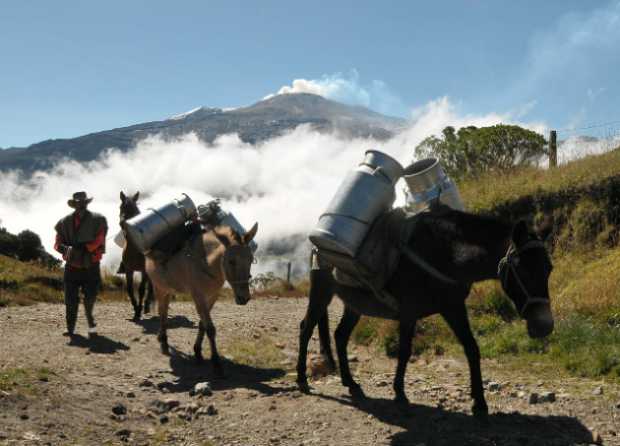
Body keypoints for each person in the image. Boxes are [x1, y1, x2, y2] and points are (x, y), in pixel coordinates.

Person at [54, 191, 108, 340]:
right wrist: (65, 249)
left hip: (91, 266)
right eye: (78, 204)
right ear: (75, 205)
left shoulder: (98, 220)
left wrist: (85, 248)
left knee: (89, 300)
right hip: (72, 267)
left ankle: (92, 328)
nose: (81, 206)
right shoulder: (64, 222)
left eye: (83, 203)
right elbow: (57, 243)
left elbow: (100, 239)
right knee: (70, 300)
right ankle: (70, 329)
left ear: (86, 204)